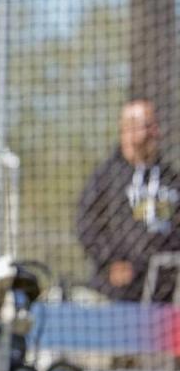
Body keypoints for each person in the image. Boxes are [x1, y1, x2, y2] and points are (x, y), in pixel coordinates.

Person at [77, 99, 180, 302]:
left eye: (154, 124)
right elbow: (86, 224)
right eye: (147, 125)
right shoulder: (107, 177)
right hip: (118, 295)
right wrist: (110, 262)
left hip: (164, 294)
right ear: (127, 129)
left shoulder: (171, 178)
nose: (154, 132)